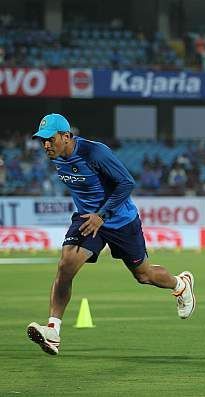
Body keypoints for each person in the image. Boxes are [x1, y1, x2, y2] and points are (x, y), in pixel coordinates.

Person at [26, 113, 196, 356]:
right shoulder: (57, 156)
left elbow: (126, 183)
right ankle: (53, 331)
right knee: (66, 265)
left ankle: (181, 284)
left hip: (120, 220)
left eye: (50, 139)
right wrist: (94, 215)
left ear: (66, 136)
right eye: (42, 140)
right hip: (87, 219)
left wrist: (102, 215)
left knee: (144, 275)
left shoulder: (94, 153)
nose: (45, 145)